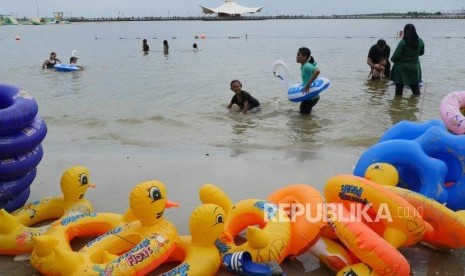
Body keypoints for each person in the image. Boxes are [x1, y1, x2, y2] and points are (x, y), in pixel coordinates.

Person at [390, 24, 425, 96]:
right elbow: (421, 53)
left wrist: (392, 60)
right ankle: (415, 105)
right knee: (416, 91)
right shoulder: (420, 41)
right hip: (414, 67)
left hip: (401, 69)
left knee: (399, 92)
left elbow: (396, 56)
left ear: (405, 31)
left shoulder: (403, 42)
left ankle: (397, 106)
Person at [296, 47, 321, 115]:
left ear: (304, 57)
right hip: (312, 96)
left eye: (298, 55)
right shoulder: (305, 65)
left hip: (310, 97)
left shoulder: (306, 66)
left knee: (303, 116)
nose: (296, 56)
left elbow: (317, 71)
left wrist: (308, 85)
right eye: (297, 54)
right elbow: (314, 65)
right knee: (305, 114)